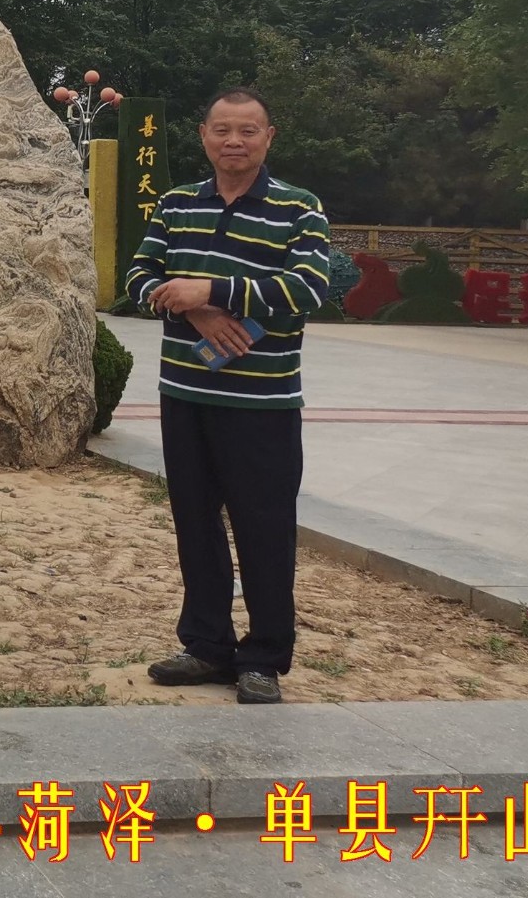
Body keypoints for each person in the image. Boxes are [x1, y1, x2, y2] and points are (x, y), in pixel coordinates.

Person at [121, 87, 330, 705]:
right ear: (203, 135)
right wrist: (200, 319)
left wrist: (210, 291)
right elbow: (137, 278)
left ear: (269, 137)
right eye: (222, 130)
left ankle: (264, 655)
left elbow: (308, 288)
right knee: (195, 521)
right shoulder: (177, 203)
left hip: (262, 403)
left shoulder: (298, 208)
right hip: (185, 395)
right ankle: (206, 645)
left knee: (265, 526)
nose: (233, 141)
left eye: (247, 131)